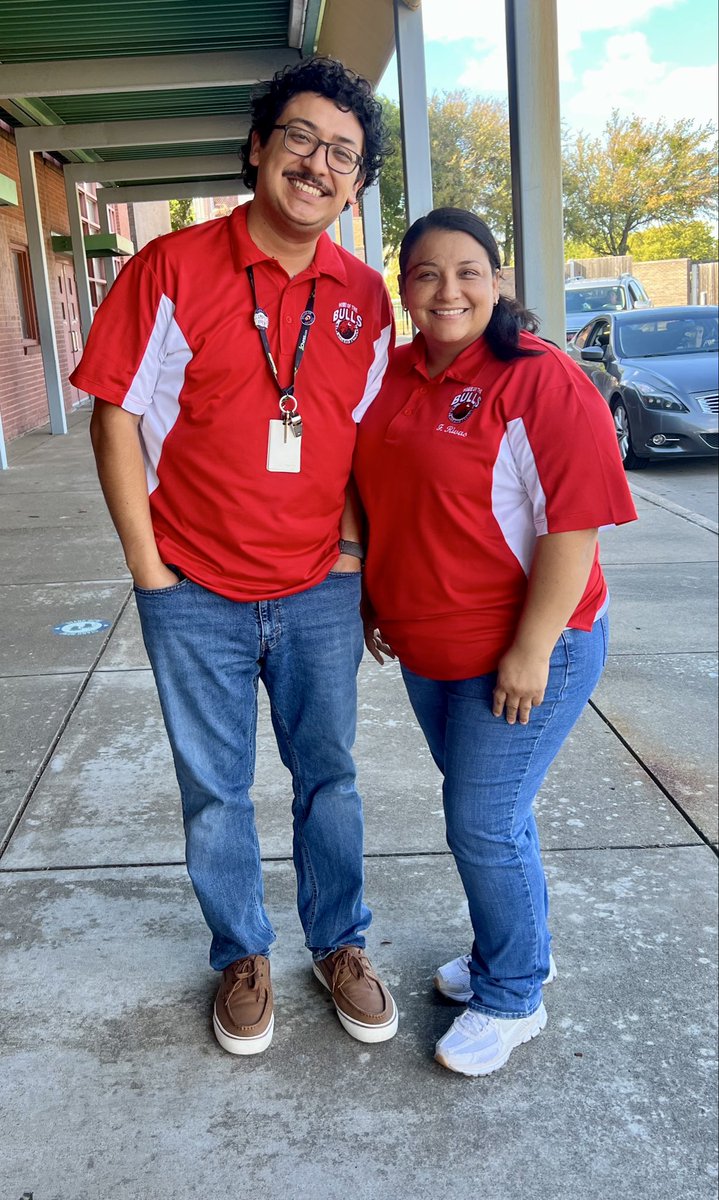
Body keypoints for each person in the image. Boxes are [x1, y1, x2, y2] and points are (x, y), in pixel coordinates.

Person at [70, 57, 398, 1056]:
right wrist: (149, 574)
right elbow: (115, 417)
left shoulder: (364, 297)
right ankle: (242, 954)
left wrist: (353, 553)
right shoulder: (168, 269)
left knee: (329, 778)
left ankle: (338, 943)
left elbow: (363, 437)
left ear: (355, 185)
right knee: (214, 790)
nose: (317, 164)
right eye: (299, 138)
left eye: (341, 154)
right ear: (257, 147)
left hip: (317, 588)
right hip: (194, 590)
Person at [353, 208, 637, 1077]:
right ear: (404, 289)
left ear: (497, 281)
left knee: (480, 822)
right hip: (428, 650)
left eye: (467, 271)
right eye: (426, 274)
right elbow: (379, 494)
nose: (448, 291)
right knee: (495, 819)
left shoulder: (539, 378)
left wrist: (530, 649)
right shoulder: (392, 373)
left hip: (524, 652)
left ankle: (513, 994)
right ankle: (509, 952)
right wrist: (373, 594)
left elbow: (573, 525)